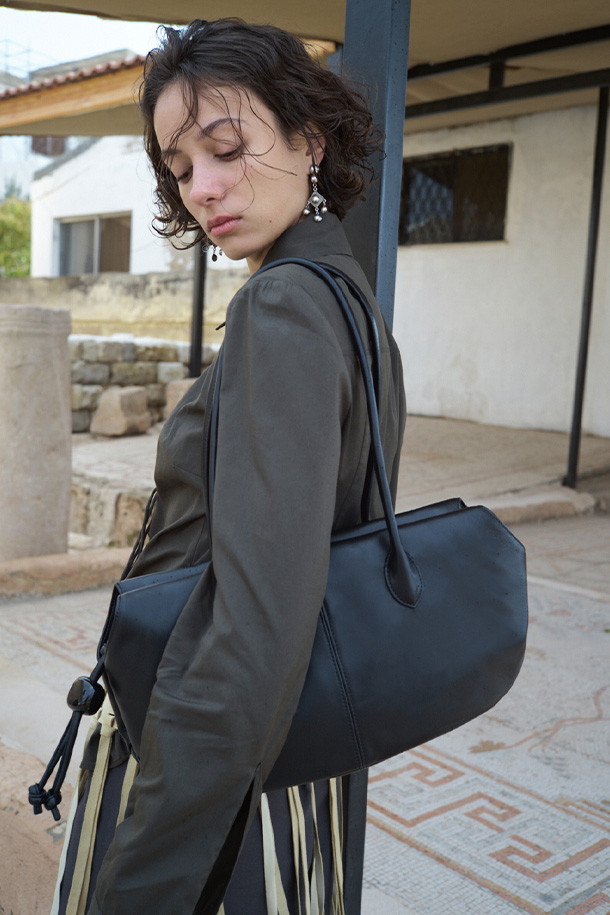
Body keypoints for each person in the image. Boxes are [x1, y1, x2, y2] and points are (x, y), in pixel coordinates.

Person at [55, 17, 406, 914]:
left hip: (221, 772)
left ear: (309, 140)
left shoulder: (283, 308)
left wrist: (144, 877)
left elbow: (254, 627)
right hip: (289, 757)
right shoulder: (343, 295)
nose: (203, 188)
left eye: (226, 147)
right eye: (180, 168)